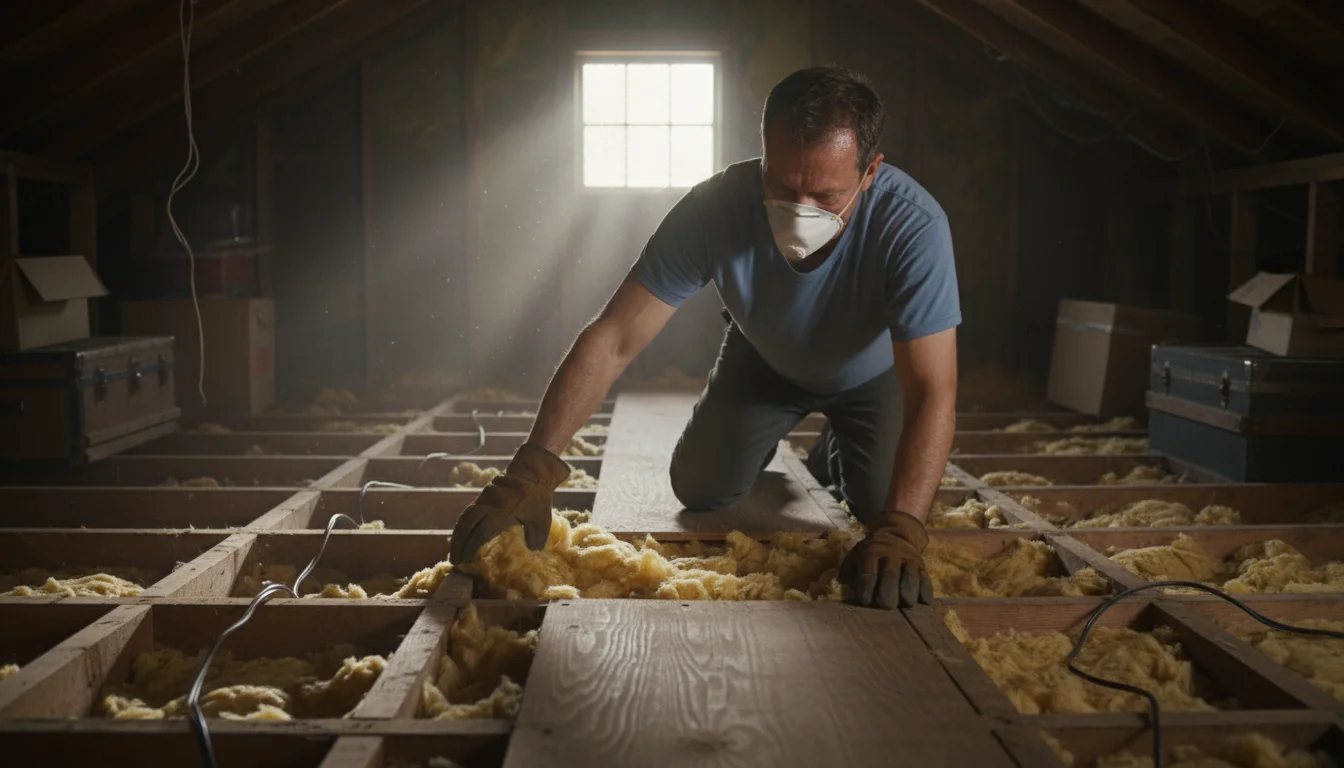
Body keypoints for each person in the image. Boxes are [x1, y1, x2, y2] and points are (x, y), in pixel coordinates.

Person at [449, 65, 960, 610]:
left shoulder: (913, 226)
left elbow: (933, 387)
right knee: (699, 489)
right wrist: (533, 467)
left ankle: (839, 443)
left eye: (827, 195)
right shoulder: (714, 208)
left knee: (884, 507)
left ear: (871, 172)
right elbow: (616, 335)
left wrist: (904, 529)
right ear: (762, 155)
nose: (800, 211)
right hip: (763, 362)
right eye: (783, 187)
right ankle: (810, 435)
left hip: (871, 374)